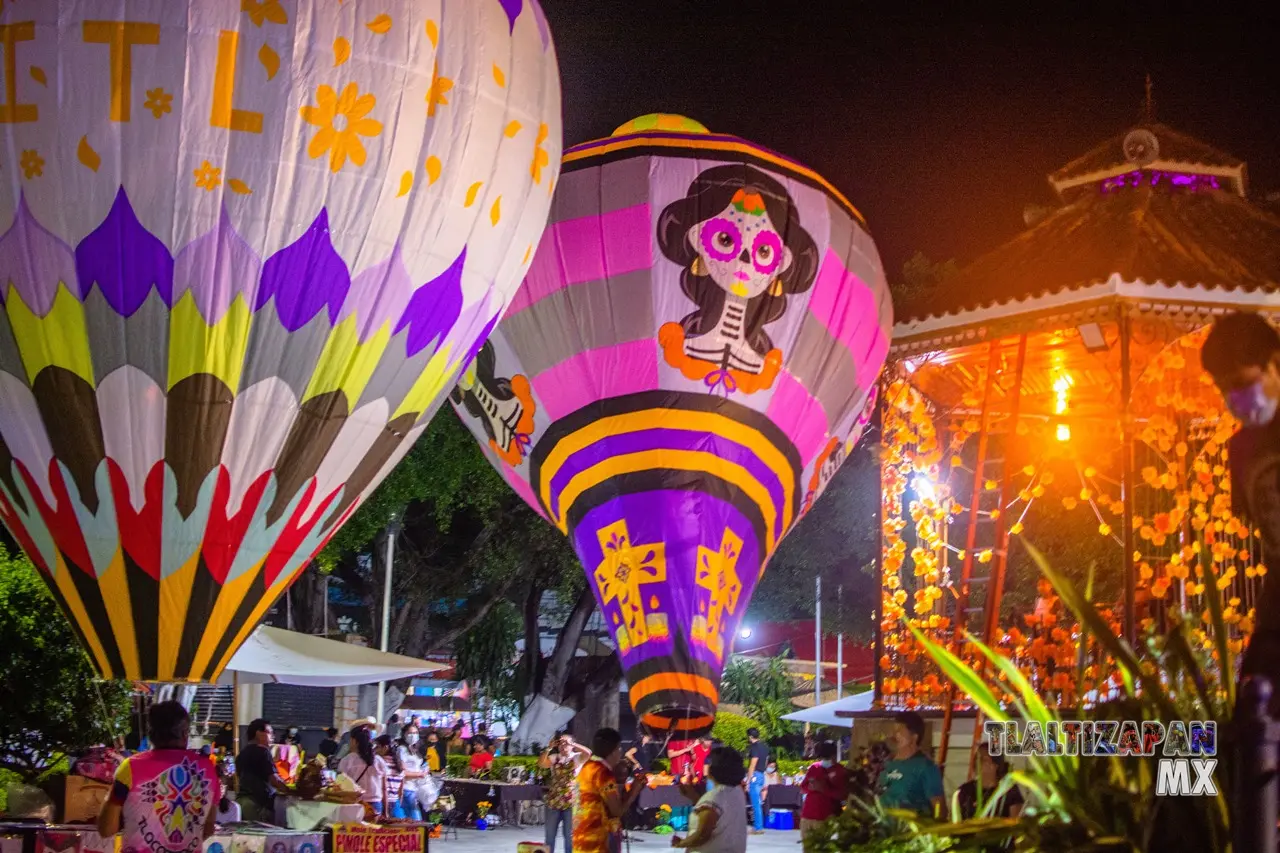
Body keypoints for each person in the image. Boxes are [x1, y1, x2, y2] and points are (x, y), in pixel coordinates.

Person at [1202, 312, 1280, 709]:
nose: (1236, 402)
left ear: (1275, 364)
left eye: (1243, 385)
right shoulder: (1242, 451)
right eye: (1224, 391)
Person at [97, 701, 220, 852]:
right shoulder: (208, 770)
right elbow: (208, 828)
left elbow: (106, 829)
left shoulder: (130, 767)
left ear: (151, 733)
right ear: (184, 733)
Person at [574, 728, 648, 853]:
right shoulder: (603, 773)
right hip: (597, 840)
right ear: (612, 751)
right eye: (619, 748)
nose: (620, 752)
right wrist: (634, 790)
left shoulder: (588, 766)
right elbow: (617, 811)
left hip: (581, 837)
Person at [670, 746, 748, 852]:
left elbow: (703, 835)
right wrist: (693, 796)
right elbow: (720, 816)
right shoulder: (737, 791)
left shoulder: (715, 796)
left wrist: (681, 843)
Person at [878, 712, 944, 817]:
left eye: (899, 731)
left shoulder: (926, 767)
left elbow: (939, 810)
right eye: (894, 731)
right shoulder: (887, 765)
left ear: (914, 737)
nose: (894, 735)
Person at [540, 733, 591, 853]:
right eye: (561, 743)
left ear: (572, 745)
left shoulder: (576, 757)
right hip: (554, 801)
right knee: (549, 837)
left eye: (566, 744)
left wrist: (572, 744)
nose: (563, 746)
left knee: (570, 837)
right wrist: (549, 748)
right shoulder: (554, 757)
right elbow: (541, 763)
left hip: (571, 802)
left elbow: (588, 753)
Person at [236, 719, 288, 823]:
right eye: (270, 732)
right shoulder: (263, 751)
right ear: (258, 733)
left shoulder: (242, 753)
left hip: (242, 802)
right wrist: (290, 790)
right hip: (257, 804)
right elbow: (274, 780)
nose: (273, 736)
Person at [957, 746, 1023, 820]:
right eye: (976, 758)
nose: (977, 762)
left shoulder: (1008, 791)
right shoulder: (964, 790)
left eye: (982, 759)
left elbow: (1016, 822)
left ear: (995, 765)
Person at [800, 742, 848, 841]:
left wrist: (823, 789)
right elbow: (802, 788)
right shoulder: (814, 767)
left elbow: (842, 795)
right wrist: (811, 787)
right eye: (823, 758)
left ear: (834, 756)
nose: (825, 761)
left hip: (827, 817)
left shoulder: (840, 770)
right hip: (808, 815)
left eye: (828, 758)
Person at [338, 726, 388, 820]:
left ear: (354, 741)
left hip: (355, 805)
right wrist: (386, 812)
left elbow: (341, 787)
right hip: (376, 805)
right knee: (373, 833)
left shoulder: (347, 760)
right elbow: (384, 789)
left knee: (356, 833)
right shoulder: (379, 761)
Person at [394, 727, 425, 820]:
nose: (413, 735)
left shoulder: (414, 750)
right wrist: (419, 774)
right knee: (415, 820)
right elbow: (403, 771)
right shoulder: (402, 749)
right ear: (404, 734)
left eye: (416, 732)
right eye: (410, 733)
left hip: (414, 788)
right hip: (405, 788)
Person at [744, 728, 769, 836]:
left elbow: (752, 764)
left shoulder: (754, 748)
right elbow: (766, 761)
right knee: (758, 802)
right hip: (761, 775)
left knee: (755, 803)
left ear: (750, 737)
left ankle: (758, 827)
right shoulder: (764, 747)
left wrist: (748, 780)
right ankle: (759, 826)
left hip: (755, 775)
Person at [375, 735, 405, 819]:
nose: (375, 750)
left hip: (382, 801)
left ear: (385, 748)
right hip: (395, 802)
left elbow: (383, 788)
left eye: (377, 747)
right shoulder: (400, 766)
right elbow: (401, 791)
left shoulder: (379, 763)